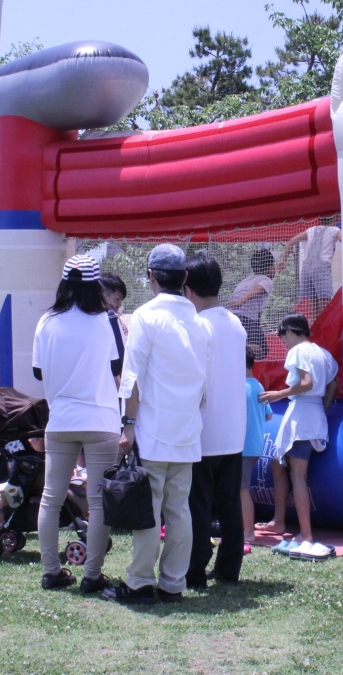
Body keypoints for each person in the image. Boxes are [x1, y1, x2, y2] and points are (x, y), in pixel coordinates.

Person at [104, 243, 211, 604]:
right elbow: (203, 387)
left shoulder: (145, 317)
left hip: (152, 430)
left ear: (150, 276)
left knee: (148, 511)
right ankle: (172, 584)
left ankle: (139, 582)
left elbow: (132, 377)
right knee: (179, 511)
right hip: (187, 431)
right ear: (185, 277)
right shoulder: (200, 323)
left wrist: (128, 424)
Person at [32, 254, 122, 594]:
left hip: (60, 419)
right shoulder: (107, 320)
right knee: (98, 502)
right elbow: (118, 366)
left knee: (51, 498)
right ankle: (92, 575)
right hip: (101, 419)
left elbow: (38, 372)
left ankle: (51, 571)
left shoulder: (47, 321)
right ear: (96, 286)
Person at [183, 254, 249, 588]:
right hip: (233, 430)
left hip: (203, 429)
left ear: (187, 289)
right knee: (229, 504)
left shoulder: (197, 325)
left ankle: (194, 569)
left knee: (198, 505)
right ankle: (228, 568)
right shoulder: (235, 323)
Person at [257, 313, 338, 549]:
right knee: (277, 463)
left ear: (291, 331)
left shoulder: (299, 350)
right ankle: (278, 521)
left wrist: (278, 394)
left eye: (283, 336)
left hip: (302, 416)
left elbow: (306, 383)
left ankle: (306, 534)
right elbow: (333, 384)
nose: (283, 342)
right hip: (312, 413)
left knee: (298, 475)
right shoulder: (323, 353)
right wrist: (322, 409)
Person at [279, 218, 341, 321]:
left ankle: (312, 328)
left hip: (306, 269)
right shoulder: (334, 230)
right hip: (321, 268)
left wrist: (283, 260)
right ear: (334, 218)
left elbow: (292, 240)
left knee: (314, 308)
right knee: (324, 306)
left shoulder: (311, 229)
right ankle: (322, 329)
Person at [240, 348, 272, 546]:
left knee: (242, 490)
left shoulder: (240, 387)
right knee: (240, 489)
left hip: (243, 447)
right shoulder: (258, 385)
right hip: (255, 447)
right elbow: (268, 415)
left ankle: (249, 533)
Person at [227, 249, 275, 359]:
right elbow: (258, 288)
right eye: (273, 265)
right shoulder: (266, 280)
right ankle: (243, 347)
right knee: (262, 350)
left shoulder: (246, 280)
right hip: (245, 319)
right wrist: (241, 301)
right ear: (269, 267)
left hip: (231, 318)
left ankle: (241, 346)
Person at [101, 273, 128, 379]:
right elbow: (117, 365)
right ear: (104, 294)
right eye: (117, 299)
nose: (119, 304)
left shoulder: (114, 318)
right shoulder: (109, 318)